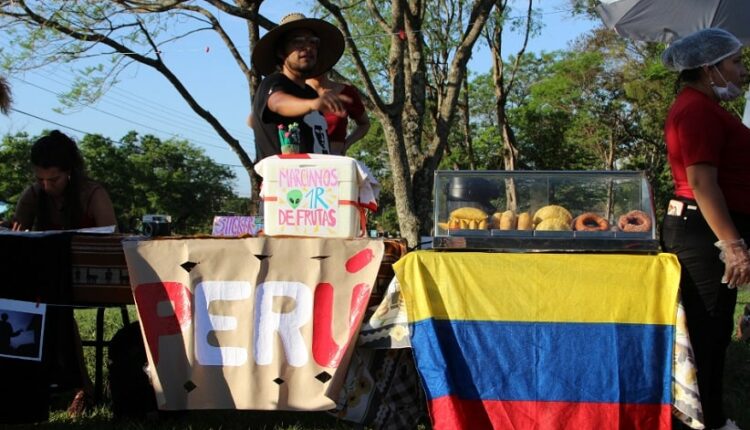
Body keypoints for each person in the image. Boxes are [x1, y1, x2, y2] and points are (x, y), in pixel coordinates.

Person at [661, 28, 749, 430]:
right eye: (734, 62)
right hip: (702, 232)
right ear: (709, 69)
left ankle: (708, 416)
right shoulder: (695, 110)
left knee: (712, 332)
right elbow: (701, 183)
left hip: (704, 227)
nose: (742, 70)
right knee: (707, 334)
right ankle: (703, 421)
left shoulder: (707, 106)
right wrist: (732, 245)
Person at [249, 12, 351, 161]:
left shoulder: (311, 93)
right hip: (284, 182)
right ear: (280, 52)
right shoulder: (273, 82)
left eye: (313, 42)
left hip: (319, 181)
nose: (308, 47)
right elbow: (277, 102)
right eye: (298, 42)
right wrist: (313, 104)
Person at [12, 130, 117, 231]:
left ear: (69, 172)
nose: (46, 186)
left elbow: (114, 242)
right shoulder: (33, 194)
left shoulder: (93, 195)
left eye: (54, 180)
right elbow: (14, 236)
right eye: (40, 179)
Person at [305, 73, 370, 155]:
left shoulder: (347, 92)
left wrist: (346, 145)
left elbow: (364, 124)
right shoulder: (293, 93)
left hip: (335, 160)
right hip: (303, 161)